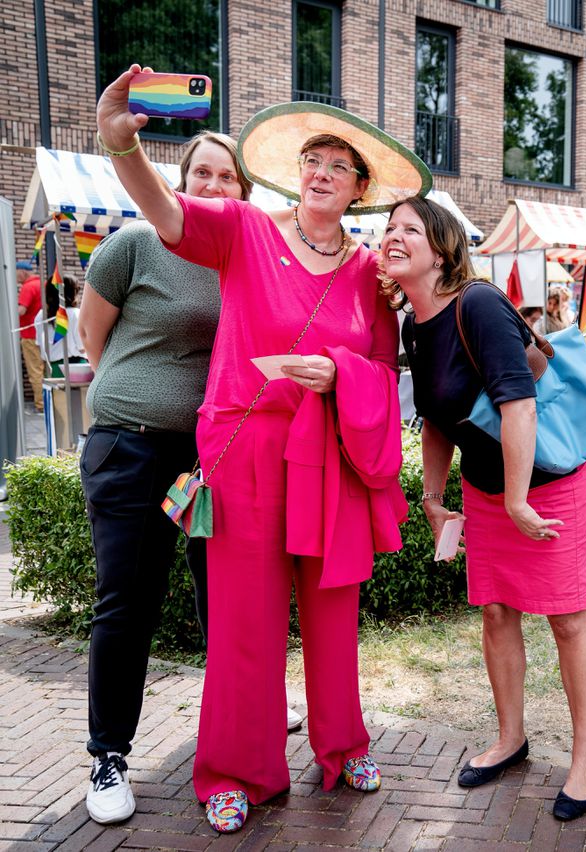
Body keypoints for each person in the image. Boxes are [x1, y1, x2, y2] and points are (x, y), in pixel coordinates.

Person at [98, 66, 423, 833]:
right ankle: (232, 770)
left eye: (337, 166)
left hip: (327, 455)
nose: (320, 172)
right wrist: (123, 149)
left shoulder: (369, 275)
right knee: (243, 619)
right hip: (245, 451)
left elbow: (383, 367)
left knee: (333, 610)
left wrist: (339, 373)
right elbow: (167, 215)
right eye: (312, 159)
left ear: (358, 188)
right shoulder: (245, 229)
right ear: (296, 174)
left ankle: (342, 745)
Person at [389, 195, 586, 821]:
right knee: (496, 613)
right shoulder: (413, 323)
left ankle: (585, 758)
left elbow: (520, 405)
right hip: (489, 493)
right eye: (389, 229)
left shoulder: (478, 304)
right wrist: (433, 495)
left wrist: (515, 500)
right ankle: (511, 738)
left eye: (410, 229)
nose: (393, 237)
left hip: (547, 483)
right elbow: (437, 416)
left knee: (567, 619)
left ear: (442, 247)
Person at [77, 131, 256, 826]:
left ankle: (246, 715)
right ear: (181, 181)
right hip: (131, 449)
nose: (214, 187)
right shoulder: (136, 244)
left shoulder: (240, 255)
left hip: (209, 458)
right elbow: (95, 336)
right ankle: (108, 756)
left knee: (229, 592)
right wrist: (140, 397)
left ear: (243, 190)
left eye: (227, 177)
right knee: (129, 604)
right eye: (201, 174)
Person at [38, 274, 87, 370]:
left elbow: (40, 346)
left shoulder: (40, 315)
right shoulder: (75, 314)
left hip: (52, 367)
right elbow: (82, 347)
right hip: (75, 367)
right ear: (72, 292)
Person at [18, 263, 44, 412]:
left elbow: (21, 311)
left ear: (22, 272)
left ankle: (41, 406)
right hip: (43, 335)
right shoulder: (42, 284)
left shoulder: (28, 287)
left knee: (35, 372)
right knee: (45, 370)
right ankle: (48, 403)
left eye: (15, 273)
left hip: (29, 335)